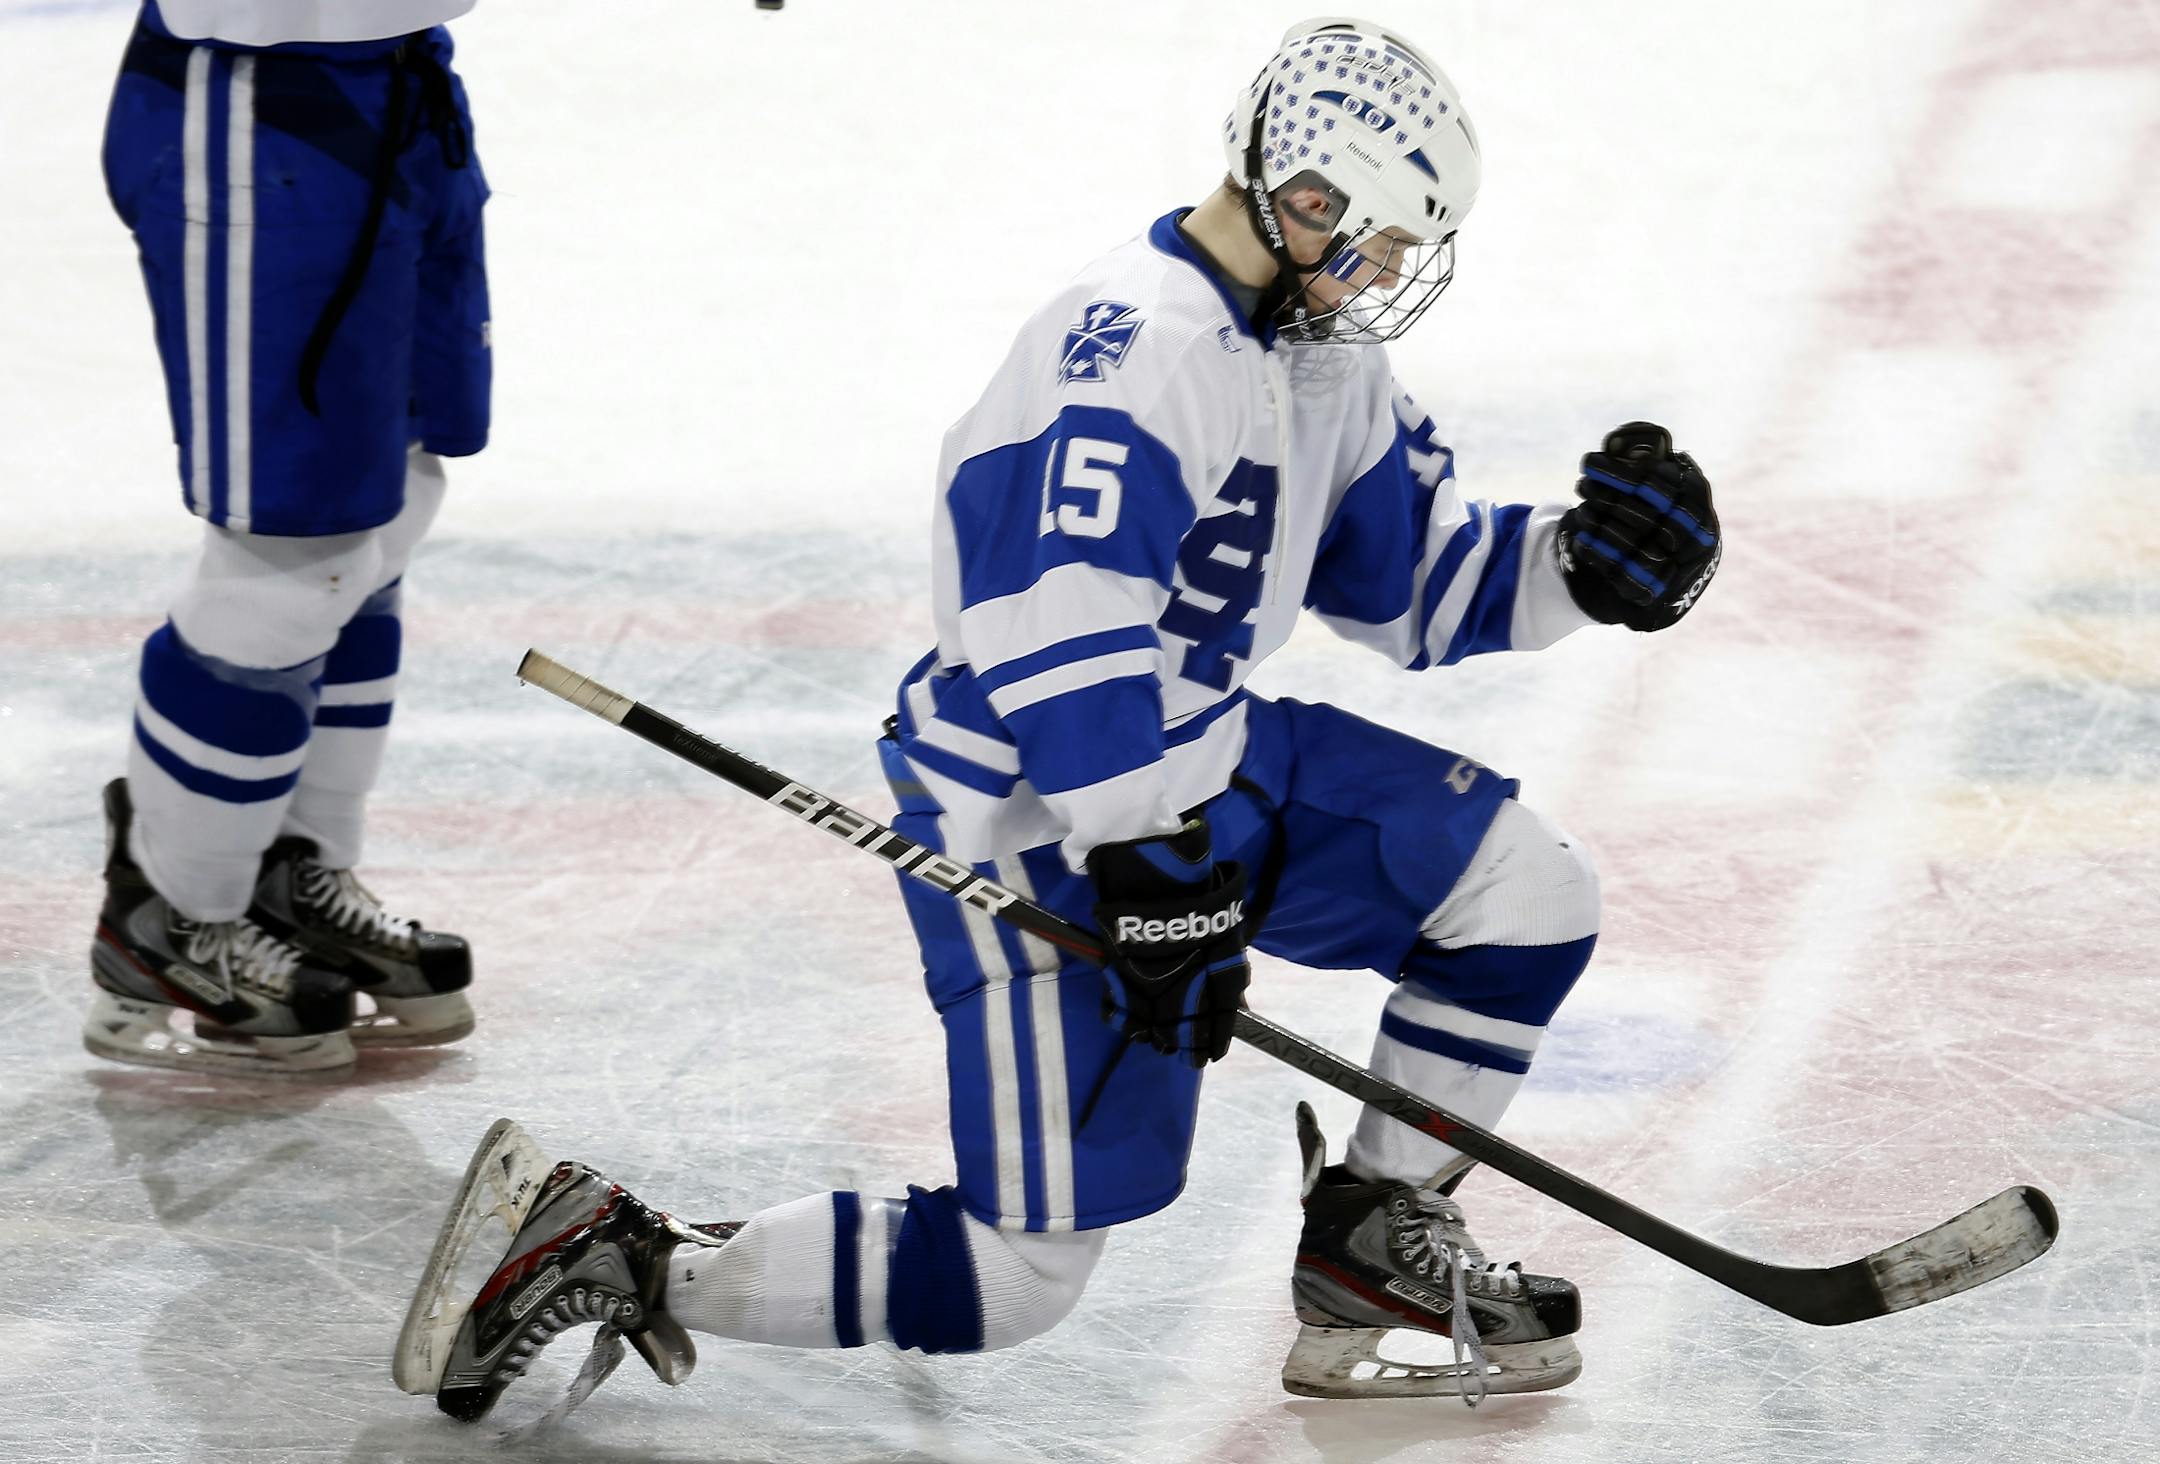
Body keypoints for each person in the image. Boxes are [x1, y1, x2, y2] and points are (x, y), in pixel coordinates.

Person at [395, 15, 1722, 1418]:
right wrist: (1145, 858)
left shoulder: (1320, 353)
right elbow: (1057, 625)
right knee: (1019, 1274)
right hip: (1033, 805)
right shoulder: (1134, 348)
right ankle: (623, 1251)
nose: (1389, 275)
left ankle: (1373, 1250)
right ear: (1307, 197)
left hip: (1199, 759)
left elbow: (1421, 583)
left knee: (1523, 890)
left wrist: (1579, 572)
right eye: (1379, 240)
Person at [86, 0, 489, 1079]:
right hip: (257, 98)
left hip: (396, 78)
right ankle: (171, 916)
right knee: (294, 561)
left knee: (393, 504)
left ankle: (288, 879)